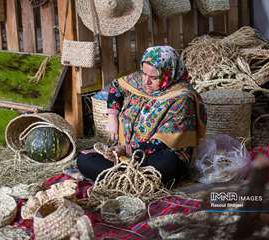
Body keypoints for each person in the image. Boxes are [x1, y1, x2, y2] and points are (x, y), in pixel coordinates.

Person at [77, 46, 207, 185]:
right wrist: (112, 116)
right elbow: (116, 86)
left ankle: (122, 177)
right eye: (144, 74)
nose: (146, 81)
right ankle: (129, 178)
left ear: (169, 73)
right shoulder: (139, 81)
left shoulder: (182, 97)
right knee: (83, 159)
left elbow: (163, 142)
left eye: (154, 77)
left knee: (166, 163)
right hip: (125, 155)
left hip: (156, 155)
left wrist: (125, 150)